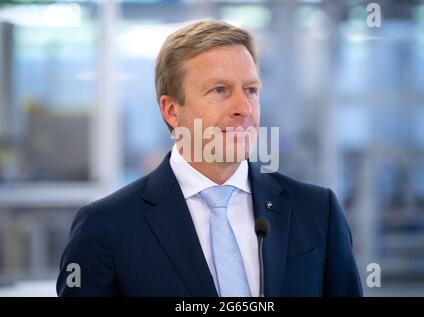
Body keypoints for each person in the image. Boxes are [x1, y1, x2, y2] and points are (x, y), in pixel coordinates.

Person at [57, 20, 363, 297]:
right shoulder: (107, 227)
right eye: (220, 90)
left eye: (251, 90)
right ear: (171, 110)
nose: (243, 107)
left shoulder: (317, 212)